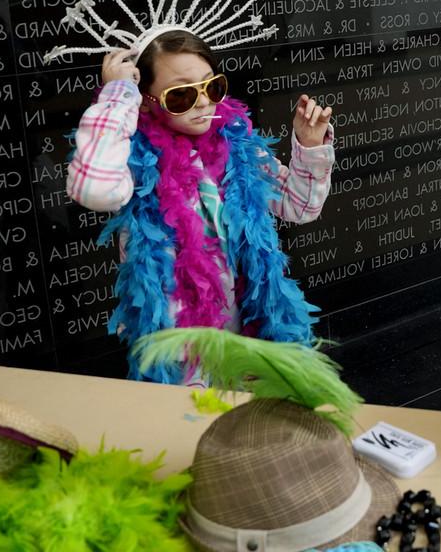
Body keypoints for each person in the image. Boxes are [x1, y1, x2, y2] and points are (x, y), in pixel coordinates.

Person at [66, 29, 334, 384]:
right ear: (146, 100)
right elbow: (94, 188)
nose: (204, 102)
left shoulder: (238, 147)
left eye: (212, 87)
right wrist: (118, 96)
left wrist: (309, 145)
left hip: (253, 330)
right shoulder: (132, 157)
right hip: (183, 349)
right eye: (181, 95)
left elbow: (299, 207)